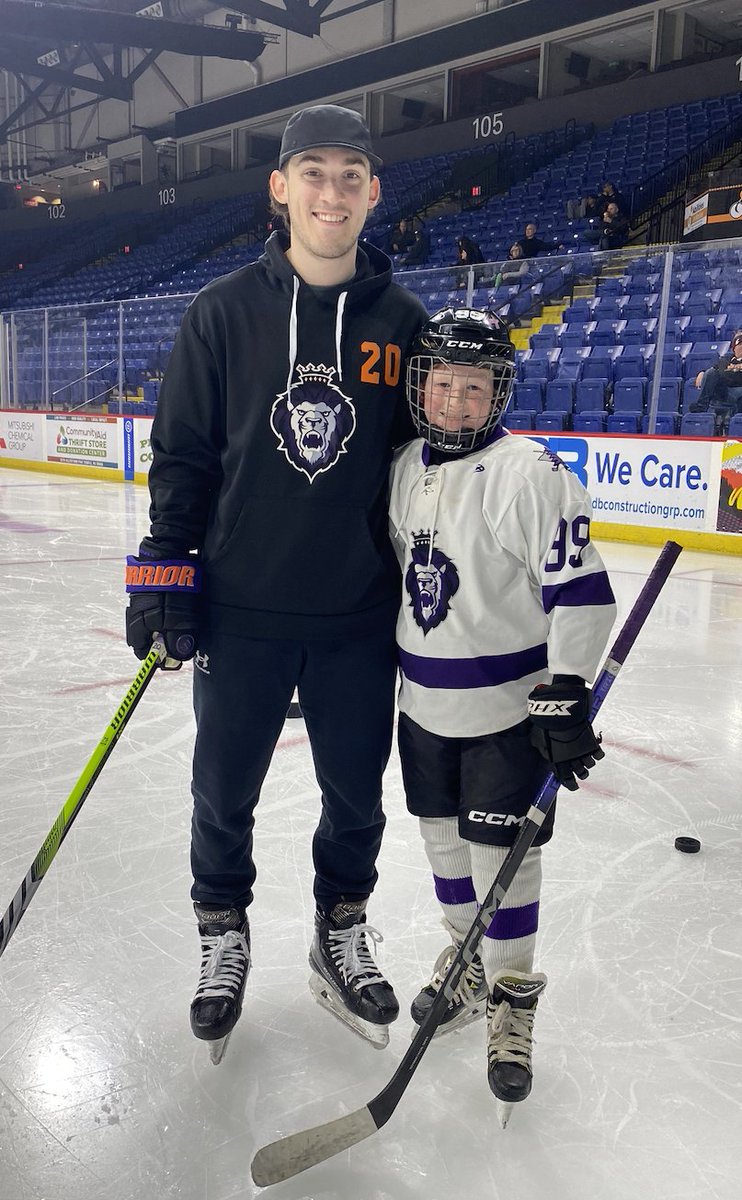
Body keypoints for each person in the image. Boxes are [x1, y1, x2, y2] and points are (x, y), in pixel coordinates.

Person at [124, 103, 427, 1061]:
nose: (331, 192)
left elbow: (431, 471)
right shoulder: (221, 312)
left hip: (359, 614)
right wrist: (164, 576)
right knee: (222, 791)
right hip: (242, 610)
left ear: (373, 191)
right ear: (280, 187)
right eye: (314, 172)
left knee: (357, 797)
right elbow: (181, 458)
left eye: (350, 174)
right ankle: (223, 928)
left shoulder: (403, 322)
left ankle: (341, 925)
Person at [388, 307, 616, 1119]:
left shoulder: (531, 473)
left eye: (473, 387)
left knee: (504, 863)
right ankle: (466, 961)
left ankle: (512, 1001)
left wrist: (567, 687)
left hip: (503, 715)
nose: (454, 401)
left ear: (499, 393)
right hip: (421, 710)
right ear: (421, 386)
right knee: (442, 841)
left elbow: (582, 592)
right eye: (442, 383)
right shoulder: (404, 464)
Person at [689, 330, 742, 429]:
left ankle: (736, 425)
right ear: (734, 348)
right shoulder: (725, 360)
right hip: (726, 391)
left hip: (739, 391)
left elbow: (725, 374)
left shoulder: (726, 364)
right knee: (711, 373)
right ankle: (701, 406)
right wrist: (702, 374)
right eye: (739, 345)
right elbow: (719, 372)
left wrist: (730, 372)